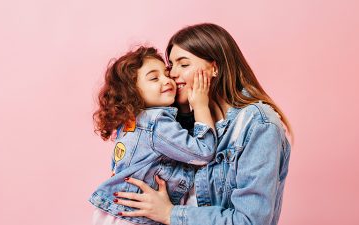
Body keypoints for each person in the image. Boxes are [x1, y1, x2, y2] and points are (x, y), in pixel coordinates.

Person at [113, 23, 292, 225]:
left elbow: (250, 221)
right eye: (171, 66)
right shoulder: (182, 122)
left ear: (214, 68)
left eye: (184, 64)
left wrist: (169, 213)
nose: (172, 75)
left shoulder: (258, 124)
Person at [89, 46, 218, 225]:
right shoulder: (155, 122)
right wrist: (201, 105)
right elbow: (203, 153)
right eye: (154, 78)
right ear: (132, 91)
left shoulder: (131, 122)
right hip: (134, 217)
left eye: (166, 73)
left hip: (117, 213)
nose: (167, 80)